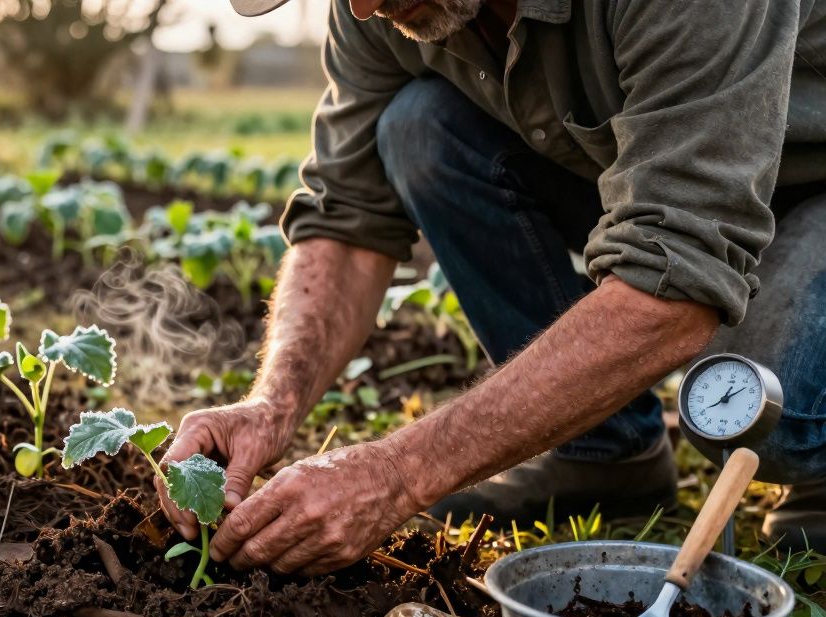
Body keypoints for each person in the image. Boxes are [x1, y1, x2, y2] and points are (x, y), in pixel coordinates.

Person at [156, 0, 826, 575]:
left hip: (808, 181)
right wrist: (271, 405)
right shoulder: (374, 7)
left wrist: (398, 474)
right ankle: (604, 456)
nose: (360, 7)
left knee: (771, 419)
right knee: (417, 125)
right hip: (670, 179)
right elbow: (346, 218)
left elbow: (675, 283)